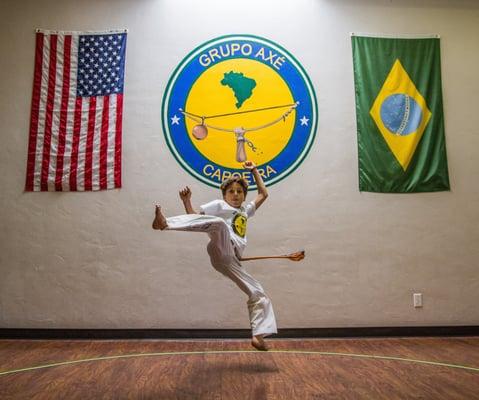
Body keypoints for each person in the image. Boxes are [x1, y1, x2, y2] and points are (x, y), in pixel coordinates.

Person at [152, 161, 277, 351]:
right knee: (218, 223)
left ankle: (258, 336)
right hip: (218, 246)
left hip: (230, 258)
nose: (235, 194)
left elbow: (263, 194)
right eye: (231, 191)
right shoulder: (218, 205)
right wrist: (187, 202)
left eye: (239, 191)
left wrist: (253, 170)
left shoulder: (245, 211)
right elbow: (196, 218)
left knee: (258, 292)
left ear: (244, 195)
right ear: (224, 194)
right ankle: (165, 224)